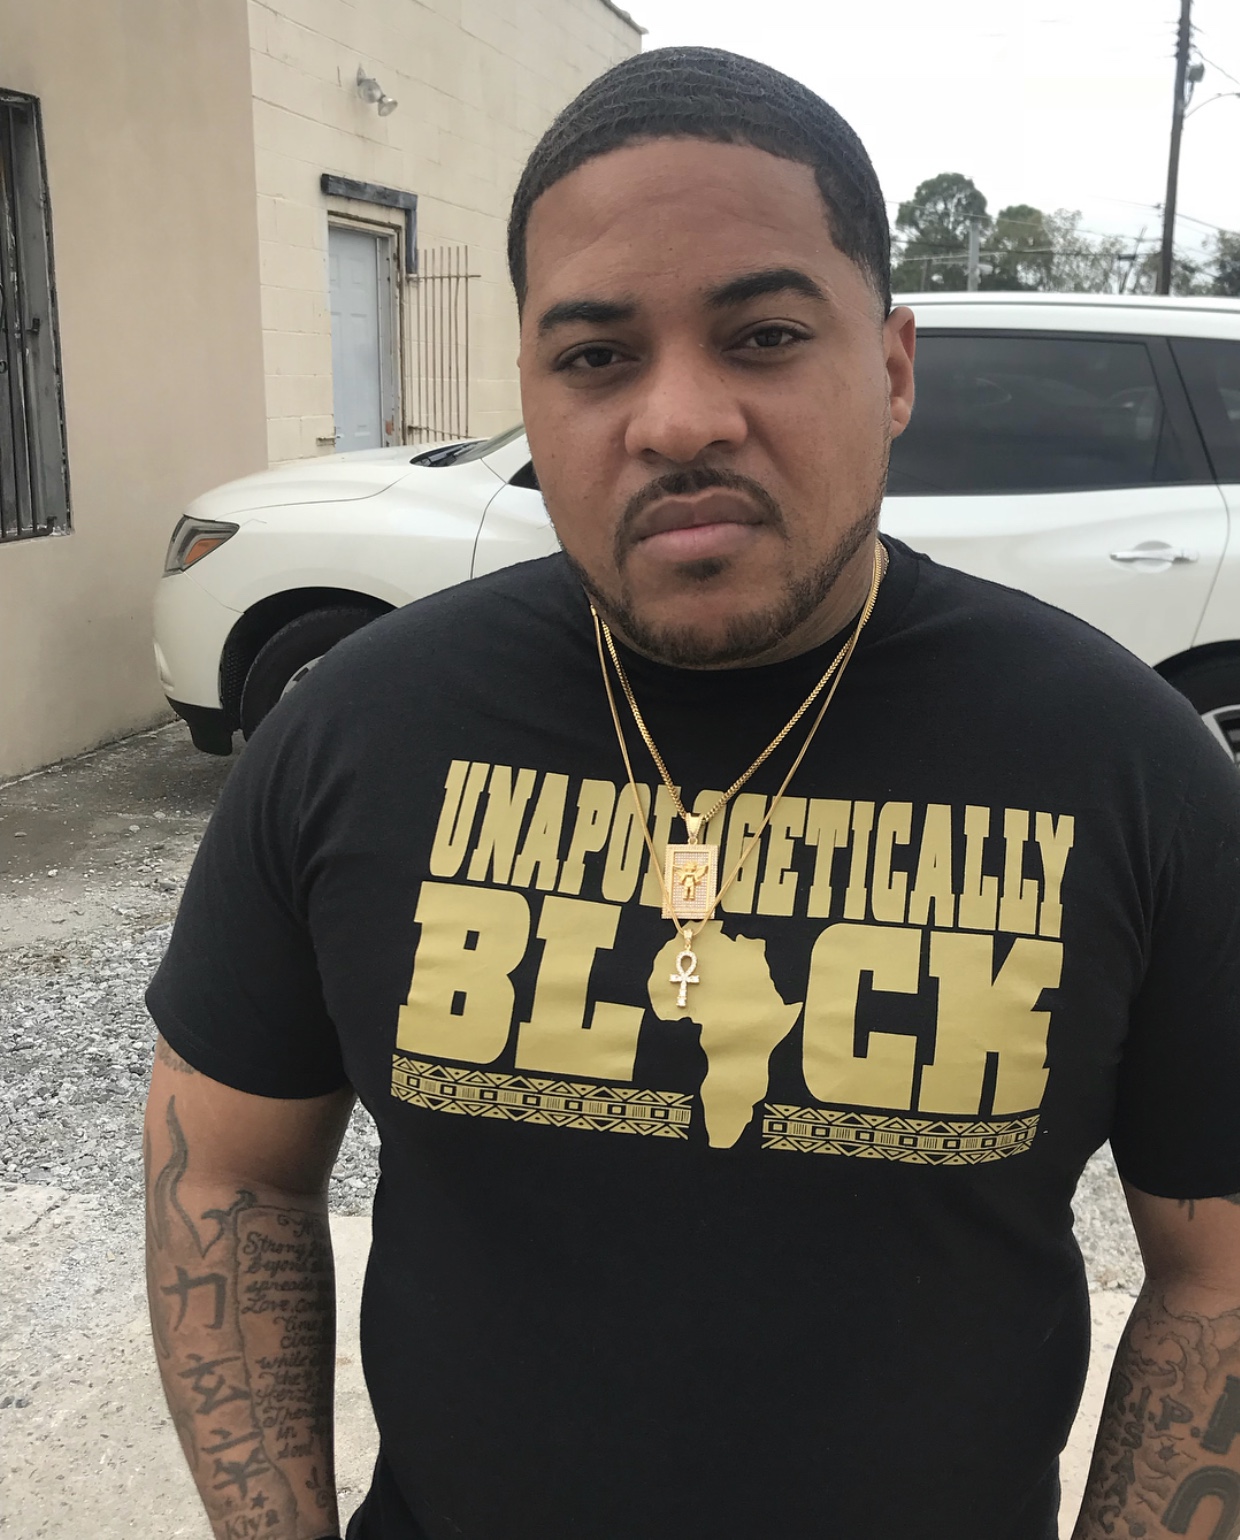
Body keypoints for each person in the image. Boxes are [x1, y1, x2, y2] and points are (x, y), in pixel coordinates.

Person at [143, 45, 1240, 1540]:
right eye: (596, 356)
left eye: (765, 335)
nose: (676, 419)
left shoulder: (1127, 770)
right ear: (529, 390)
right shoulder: (355, 734)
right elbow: (227, 1177)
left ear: (893, 369)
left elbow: (1216, 1270)